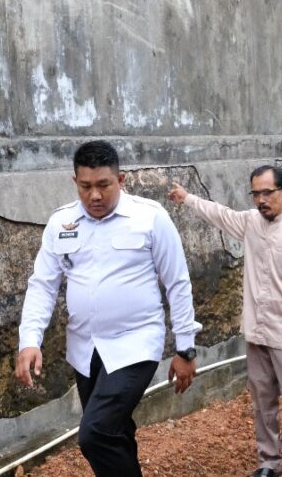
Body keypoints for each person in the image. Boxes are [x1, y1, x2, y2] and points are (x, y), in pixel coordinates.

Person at [15, 140, 202, 477]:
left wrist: (185, 347)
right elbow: (42, 284)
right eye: (86, 186)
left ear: (122, 180)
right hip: (85, 349)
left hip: (136, 343)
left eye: (103, 185)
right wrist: (29, 340)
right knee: (114, 431)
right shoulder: (62, 223)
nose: (95, 196)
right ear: (75, 183)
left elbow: (178, 282)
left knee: (94, 433)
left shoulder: (150, 218)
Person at [167, 166, 282, 477]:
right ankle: (269, 462)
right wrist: (187, 198)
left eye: (267, 192)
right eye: (255, 193)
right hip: (256, 330)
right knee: (262, 398)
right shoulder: (250, 224)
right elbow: (219, 213)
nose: (261, 199)